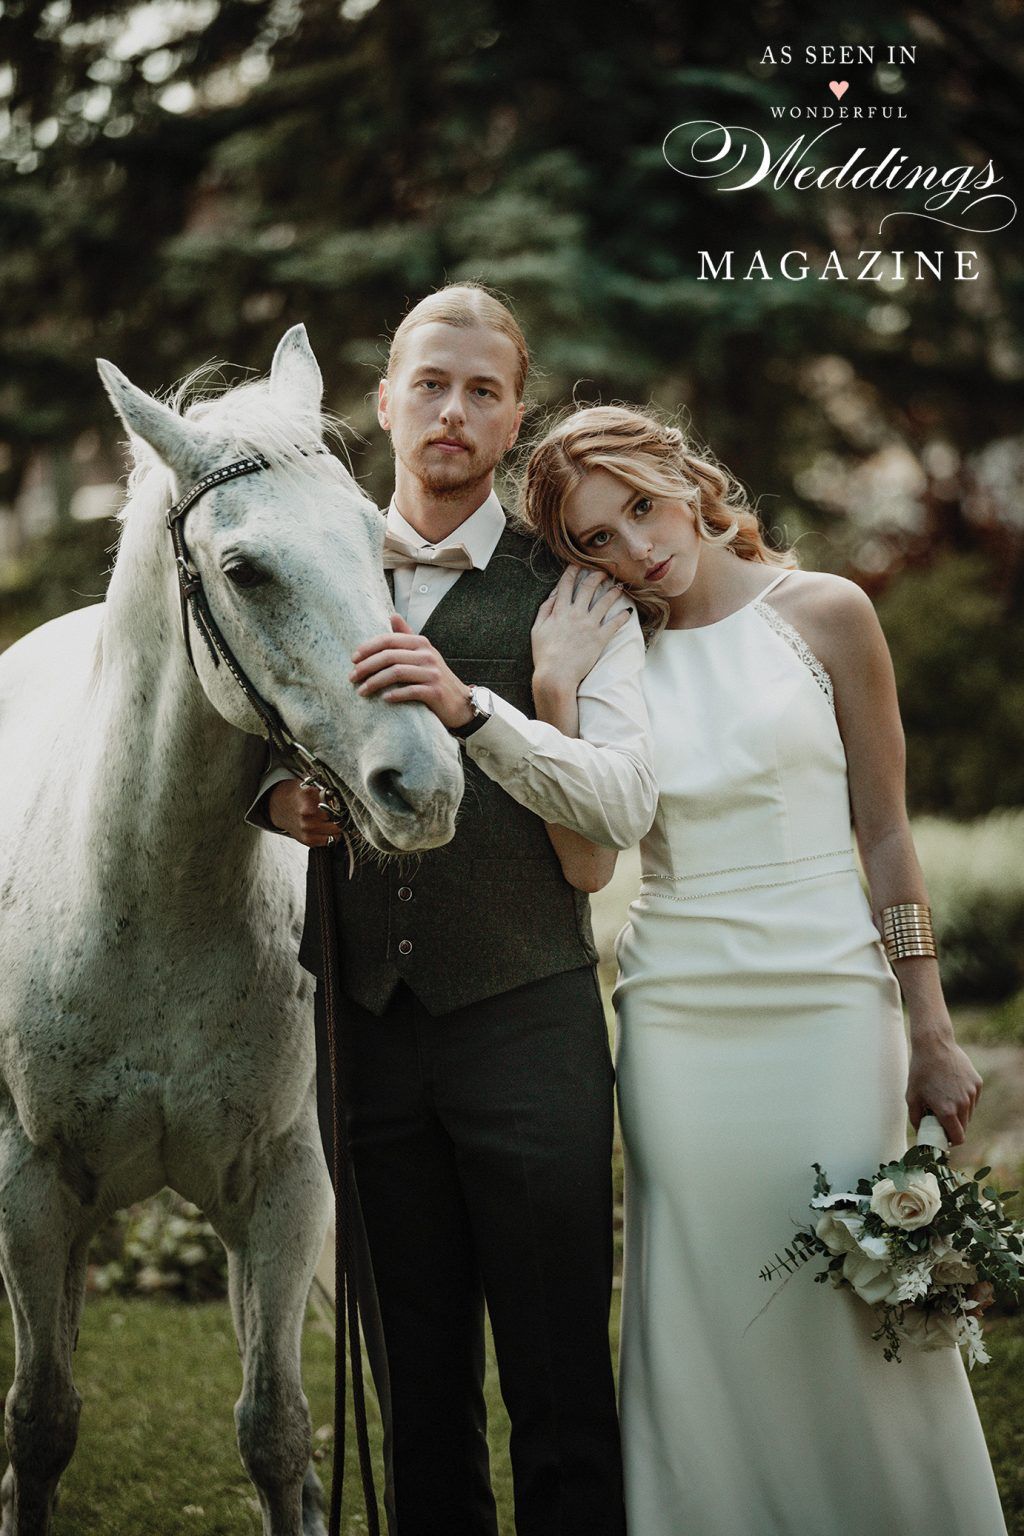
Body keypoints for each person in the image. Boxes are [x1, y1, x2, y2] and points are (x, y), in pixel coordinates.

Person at [517, 404, 1007, 1536]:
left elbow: (883, 835)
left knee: (848, 1299)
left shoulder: (825, 614)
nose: (635, 549)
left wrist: (928, 1029)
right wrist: (554, 696)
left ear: (684, 477)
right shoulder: (607, 661)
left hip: (833, 1006)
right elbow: (590, 865)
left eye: (640, 506)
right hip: (681, 1022)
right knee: (704, 1307)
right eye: (596, 540)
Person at [250, 287, 656, 1536]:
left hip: (525, 1023)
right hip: (361, 1029)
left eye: (482, 391)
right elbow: (234, 729)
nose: (451, 410)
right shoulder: (302, 562)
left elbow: (614, 813)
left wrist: (503, 705)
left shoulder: (573, 594)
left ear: (514, 419)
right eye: (430, 383)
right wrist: (275, 801)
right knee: (413, 1388)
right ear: (383, 402)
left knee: (558, 1384)